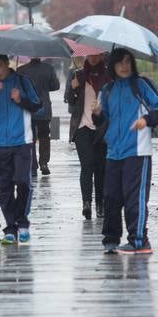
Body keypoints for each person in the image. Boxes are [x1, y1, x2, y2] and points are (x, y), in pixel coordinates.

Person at [94, 48, 158, 254]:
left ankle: (139, 240)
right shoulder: (107, 90)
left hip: (137, 151)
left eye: (128, 62)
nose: (124, 66)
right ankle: (111, 238)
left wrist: (146, 120)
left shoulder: (140, 86)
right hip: (113, 152)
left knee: (134, 197)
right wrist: (97, 114)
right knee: (110, 197)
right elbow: (102, 120)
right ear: (112, 66)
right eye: (119, 62)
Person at [0, 54, 42, 244]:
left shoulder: (23, 82)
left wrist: (20, 99)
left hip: (22, 141)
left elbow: (37, 106)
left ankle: (22, 222)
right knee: (4, 187)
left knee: (23, 181)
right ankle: (10, 227)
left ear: (7, 64)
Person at [64, 53, 109, 219]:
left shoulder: (108, 76)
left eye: (98, 54)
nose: (94, 57)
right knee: (87, 165)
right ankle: (86, 203)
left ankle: (100, 204)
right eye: (91, 54)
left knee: (101, 168)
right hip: (82, 126)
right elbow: (69, 100)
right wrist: (74, 88)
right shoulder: (78, 74)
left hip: (102, 128)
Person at [16, 57, 60, 175]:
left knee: (30, 137)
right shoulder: (48, 68)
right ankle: (44, 163)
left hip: (28, 107)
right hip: (44, 107)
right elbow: (56, 86)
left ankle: (32, 166)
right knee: (44, 136)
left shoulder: (21, 70)